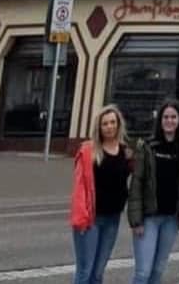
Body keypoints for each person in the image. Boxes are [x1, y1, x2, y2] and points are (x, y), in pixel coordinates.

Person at [129, 98, 179, 284]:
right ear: (160, 119)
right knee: (143, 272)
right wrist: (136, 220)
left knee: (158, 270)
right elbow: (136, 183)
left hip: (171, 218)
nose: (169, 121)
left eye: (173, 117)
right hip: (149, 218)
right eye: (166, 117)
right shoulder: (147, 146)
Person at [70, 104, 133, 284]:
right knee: (85, 271)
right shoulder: (88, 151)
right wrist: (81, 218)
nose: (109, 127)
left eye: (112, 122)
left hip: (113, 218)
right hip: (90, 219)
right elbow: (79, 188)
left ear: (118, 124)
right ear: (99, 127)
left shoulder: (126, 152)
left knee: (98, 272)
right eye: (105, 123)